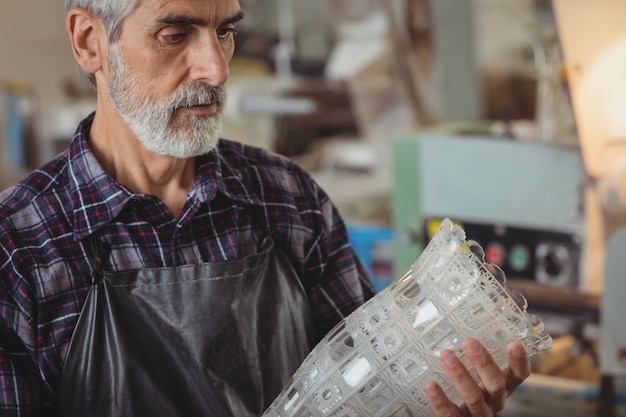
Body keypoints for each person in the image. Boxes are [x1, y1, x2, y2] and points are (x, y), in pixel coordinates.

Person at [0, 0, 531, 416]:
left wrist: (436, 400)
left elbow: (377, 388)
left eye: (225, 31)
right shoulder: (19, 249)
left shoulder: (289, 199)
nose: (215, 68)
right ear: (90, 42)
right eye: (175, 35)